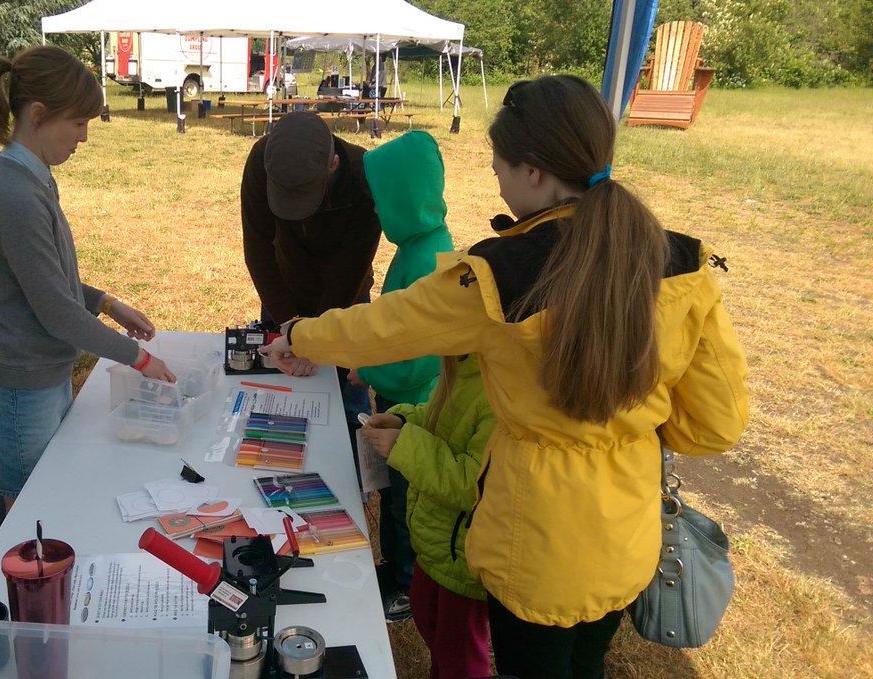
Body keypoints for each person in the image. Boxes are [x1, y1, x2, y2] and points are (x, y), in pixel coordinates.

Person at [262, 75, 749, 678]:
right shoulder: (680, 262)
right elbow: (714, 426)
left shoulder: (498, 277)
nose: (496, 179)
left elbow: (386, 326)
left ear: (534, 173)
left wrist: (298, 335)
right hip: (626, 539)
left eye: (497, 167)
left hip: (534, 546)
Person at [0, 46, 175, 507]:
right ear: (38, 115)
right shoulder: (14, 196)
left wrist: (105, 302)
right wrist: (138, 359)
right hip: (19, 389)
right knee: (31, 515)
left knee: (52, 499)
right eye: (78, 123)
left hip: (38, 376)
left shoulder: (34, 180)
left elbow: (44, 280)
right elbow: (56, 311)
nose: (83, 137)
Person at [351, 130, 454, 622]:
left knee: (408, 502)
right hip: (396, 398)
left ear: (404, 197)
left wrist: (365, 365)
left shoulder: (432, 259)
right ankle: (393, 568)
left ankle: (408, 586)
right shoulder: (417, 244)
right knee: (392, 490)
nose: (374, 210)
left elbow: (421, 353)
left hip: (418, 405)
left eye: (381, 199)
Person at [239, 110, 380, 452]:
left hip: (345, 299)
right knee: (281, 397)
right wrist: (290, 324)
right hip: (284, 292)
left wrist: (314, 339)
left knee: (347, 398)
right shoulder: (262, 159)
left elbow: (352, 269)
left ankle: (355, 481)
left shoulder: (363, 175)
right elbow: (258, 249)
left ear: (332, 165)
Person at [362, 353, 494, 679]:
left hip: (463, 555)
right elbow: (440, 419)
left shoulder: (499, 390)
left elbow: (471, 484)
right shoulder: (464, 366)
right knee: (427, 616)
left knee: (460, 653)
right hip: (436, 542)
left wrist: (405, 445)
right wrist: (405, 421)